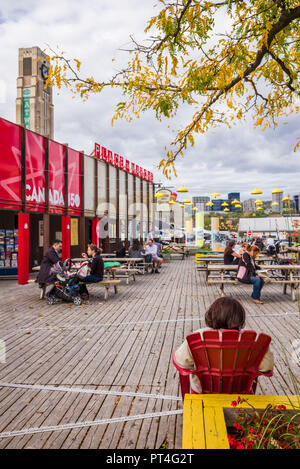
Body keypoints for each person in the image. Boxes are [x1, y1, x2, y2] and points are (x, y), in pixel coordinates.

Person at [174, 297, 274, 393]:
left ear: (211, 314)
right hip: (240, 393)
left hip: (203, 393)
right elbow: (267, 367)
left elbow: (181, 362)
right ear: (240, 317)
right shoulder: (254, 341)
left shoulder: (197, 337)